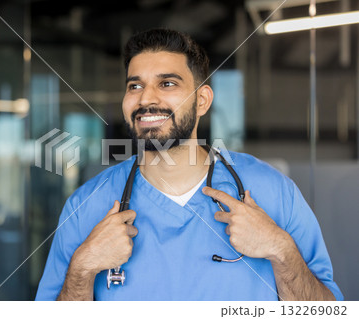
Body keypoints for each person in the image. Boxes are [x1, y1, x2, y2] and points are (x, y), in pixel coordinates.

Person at [35, 28, 343, 301]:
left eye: (167, 84)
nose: (146, 99)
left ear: (202, 101)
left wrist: (281, 250)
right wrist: (83, 268)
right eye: (135, 86)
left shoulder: (274, 192)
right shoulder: (86, 205)